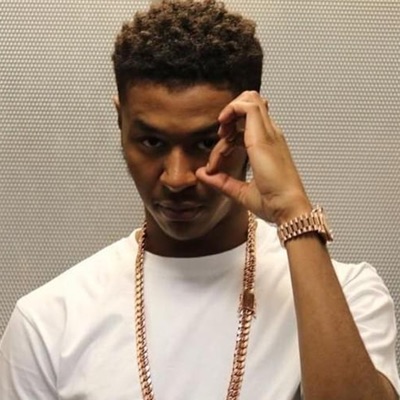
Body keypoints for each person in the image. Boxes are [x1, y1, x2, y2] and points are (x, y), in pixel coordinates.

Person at [0, 0, 399, 398]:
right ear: (121, 122)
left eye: (207, 143)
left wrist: (293, 211)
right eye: (151, 142)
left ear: (250, 130)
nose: (177, 178)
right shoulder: (49, 322)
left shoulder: (347, 295)